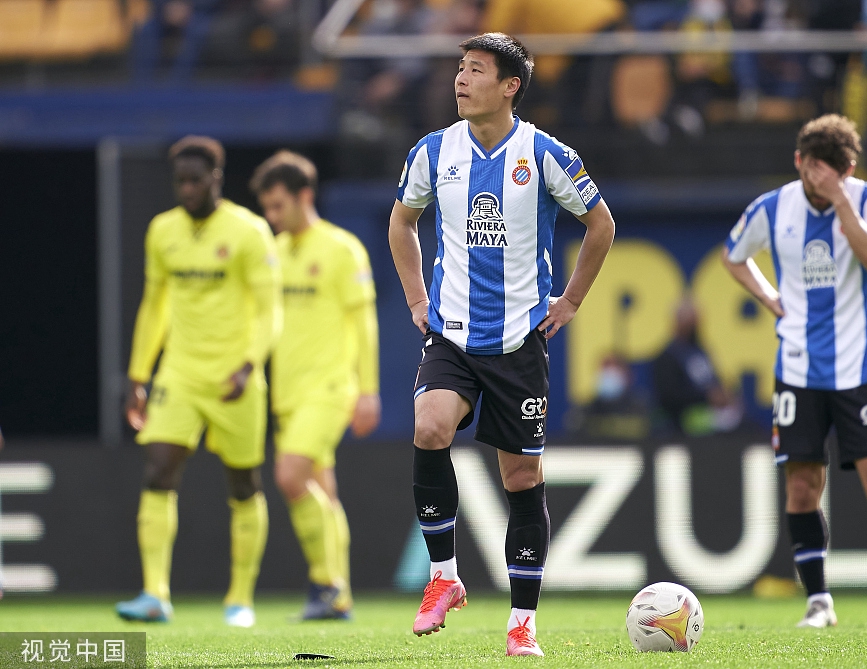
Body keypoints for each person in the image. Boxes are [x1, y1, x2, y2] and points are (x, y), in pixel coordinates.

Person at [388, 32, 615, 656]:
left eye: (476, 70)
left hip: (519, 341)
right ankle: (443, 577)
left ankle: (522, 623)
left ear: (510, 86)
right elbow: (402, 221)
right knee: (429, 427)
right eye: (460, 68)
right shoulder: (434, 151)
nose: (461, 80)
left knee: (520, 477)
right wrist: (417, 301)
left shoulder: (544, 154)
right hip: (452, 334)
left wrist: (571, 300)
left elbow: (600, 224)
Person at [722, 114, 867, 629]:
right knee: (803, 486)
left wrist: (841, 200)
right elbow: (733, 255)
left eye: (832, 170)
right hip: (798, 369)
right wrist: (769, 297)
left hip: (861, 368)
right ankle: (818, 602)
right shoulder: (772, 207)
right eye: (811, 167)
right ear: (798, 161)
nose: (818, 177)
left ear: (848, 169)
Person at [117, 136, 282, 628]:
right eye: (180, 182)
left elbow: (270, 310)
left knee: (243, 484)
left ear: (216, 179)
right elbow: (154, 306)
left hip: (235, 376)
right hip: (180, 373)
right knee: (158, 471)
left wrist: (249, 365)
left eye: (195, 181)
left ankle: (240, 599)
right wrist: (138, 375)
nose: (187, 189)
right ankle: (154, 594)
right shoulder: (162, 231)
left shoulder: (249, 231)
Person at [250, 151, 381, 620]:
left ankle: (326, 584)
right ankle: (336, 596)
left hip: (329, 388)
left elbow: (364, 323)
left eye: (278, 205)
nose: (272, 216)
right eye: (266, 208)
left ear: (304, 196)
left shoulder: (342, 249)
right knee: (322, 489)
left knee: (290, 476)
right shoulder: (274, 252)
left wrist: (367, 390)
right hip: (287, 393)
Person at [651, 299, 742, 436]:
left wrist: (724, 394)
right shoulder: (667, 357)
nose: (694, 326)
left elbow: (713, 382)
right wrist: (706, 397)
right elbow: (669, 397)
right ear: (677, 322)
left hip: (714, 416)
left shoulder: (701, 351)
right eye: (689, 321)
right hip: (683, 422)